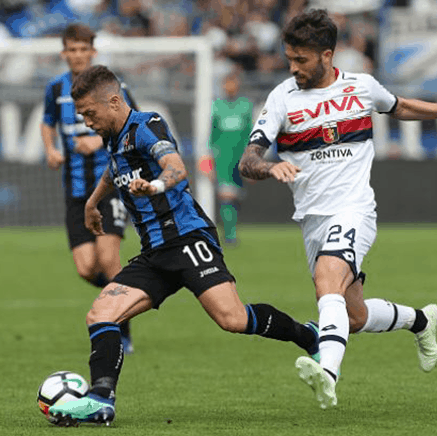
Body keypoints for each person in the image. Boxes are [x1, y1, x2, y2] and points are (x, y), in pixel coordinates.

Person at [238, 9, 437, 409]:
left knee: (328, 280)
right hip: (312, 220)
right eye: (289, 59)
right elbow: (247, 161)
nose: (293, 68)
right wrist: (270, 167)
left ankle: (328, 374)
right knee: (353, 316)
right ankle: (422, 321)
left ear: (327, 55)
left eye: (301, 60)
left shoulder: (361, 87)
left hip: (354, 210)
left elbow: (401, 106)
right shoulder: (281, 99)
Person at [47, 65, 320, 426]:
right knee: (100, 315)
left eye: (90, 114)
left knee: (233, 319)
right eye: (82, 115)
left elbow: (176, 168)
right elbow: (114, 170)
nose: (87, 122)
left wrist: (155, 186)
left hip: (188, 239)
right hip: (155, 253)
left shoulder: (147, 125)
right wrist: (92, 202)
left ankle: (307, 334)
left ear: (113, 102)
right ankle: (100, 400)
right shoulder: (113, 137)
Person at [40, 24, 138, 354]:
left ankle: (119, 326)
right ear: (64, 53)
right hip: (76, 190)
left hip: (109, 187)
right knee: (86, 268)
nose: (78, 55)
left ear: (92, 52)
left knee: (108, 258)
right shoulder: (55, 88)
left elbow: (132, 119)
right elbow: (46, 121)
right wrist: (50, 149)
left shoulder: (112, 85)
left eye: (84, 49)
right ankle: (130, 294)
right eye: (72, 49)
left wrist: (99, 139)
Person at [208, 71, 253, 244]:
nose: (230, 87)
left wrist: (252, 156)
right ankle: (230, 234)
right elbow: (212, 136)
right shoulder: (217, 106)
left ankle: (231, 228)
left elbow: (250, 133)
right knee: (226, 196)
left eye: (233, 83)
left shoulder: (245, 105)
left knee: (236, 196)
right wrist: (210, 159)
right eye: (227, 83)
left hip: (241, 158)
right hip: (223, 158)